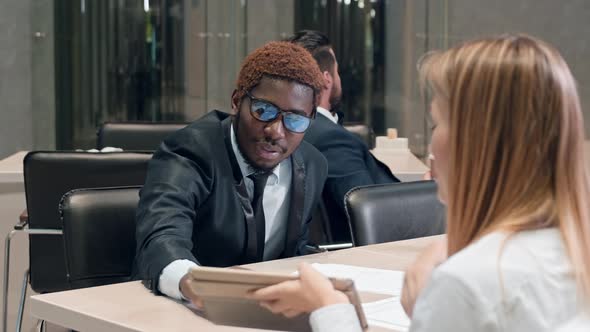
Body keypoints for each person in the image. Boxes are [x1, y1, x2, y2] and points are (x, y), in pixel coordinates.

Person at [250, 34, 590, 331]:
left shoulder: (469, 283)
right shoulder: (574, 253)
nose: (432, 143)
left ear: (477, 143)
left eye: (436, 124)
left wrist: (328, 307)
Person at [133, 41, 328, 303]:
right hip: (181, 307)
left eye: (295, 119)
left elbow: (295, 250)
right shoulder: (189, 151)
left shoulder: (312, 165)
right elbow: (162, 235)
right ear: (237, 102)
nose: (276, 131)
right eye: (263, 111)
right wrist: (194, 283)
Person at [288, 30, 399, 242]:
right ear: (327, 79)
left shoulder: (296, 130)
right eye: (336, 70)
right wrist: (424, 194)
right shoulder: (330, 139)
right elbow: (374, 212)